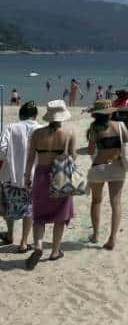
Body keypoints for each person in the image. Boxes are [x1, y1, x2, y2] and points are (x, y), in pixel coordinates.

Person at [24, 100, 77, 269]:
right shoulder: (69, 133)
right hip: (60, 174)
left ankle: (38, 246)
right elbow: (73, 156)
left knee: (39, 214)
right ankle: (55, 251)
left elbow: (31, 157)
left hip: (40, 174)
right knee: (60, 214)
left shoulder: (37, 134)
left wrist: (27, 176)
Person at [86, 100, 128, 250]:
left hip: (98, 167)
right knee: (116, 202)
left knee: (96, 201)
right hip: (117, 167)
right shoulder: (120, 126)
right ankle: (112, 238)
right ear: (110, 113)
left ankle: (95, 234)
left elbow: (90, 150)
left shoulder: (94, 128)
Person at [0, 101, 43, 252]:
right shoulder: (41, 129)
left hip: (10, 176)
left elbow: (2, 151)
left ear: (21, 114)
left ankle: (10, 234)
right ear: (35, 115)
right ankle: (24, 242)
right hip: (33, 176)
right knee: (29, 209)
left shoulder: (10, 127)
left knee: (7, 205)